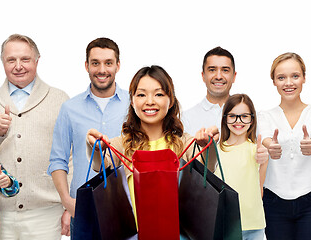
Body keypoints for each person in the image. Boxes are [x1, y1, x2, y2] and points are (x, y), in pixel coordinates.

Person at [86, 65, 219, 237]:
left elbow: (208, 167)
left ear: (170, 101)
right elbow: (99, 166)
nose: (150, 101)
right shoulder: (123, 144)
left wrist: (210, 146)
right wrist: (94, 148)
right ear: (132, 101)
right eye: (141, 94)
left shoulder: (184, 142)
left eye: (159, 94)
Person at [0, 34, 70, 239]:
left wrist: (69, 204)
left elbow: (70, 156)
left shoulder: (59, 100)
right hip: (1, 213)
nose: (18, 66)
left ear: (37, 60)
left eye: (25, 59)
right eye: (11, 60)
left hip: (47, 211)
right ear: (3, 63)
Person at [47, 37, 129, 238]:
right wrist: (67, 202)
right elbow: (58, 160)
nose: (102, 70)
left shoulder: (134, 104)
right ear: (86, 66)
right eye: (95, 63)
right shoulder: (70, 108)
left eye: (108, 63)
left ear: (118, 65)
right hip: (83, 210)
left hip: (127, 209)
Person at [260, 53, 311, 239]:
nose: (288, 83)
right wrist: (270, 146)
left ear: (304, 78)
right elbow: (265, 138)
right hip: (274, 200)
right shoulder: (264, 116)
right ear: (274, 81)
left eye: (295, 76)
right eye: (281, 78)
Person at [215, 94, 267, 240]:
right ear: (225, 118)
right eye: (233, 116)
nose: (238, 121)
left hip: (254, 225)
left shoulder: (257, 149)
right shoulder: (216, 151)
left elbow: (260, 190)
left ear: (252, 119)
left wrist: (263, 159)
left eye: (244, 116)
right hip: (225, 225)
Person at [181, 46, 236, 134]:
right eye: (212, 70)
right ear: (203, 76)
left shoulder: (248, 116)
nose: (218, 76)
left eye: (225, 70)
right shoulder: (186, 119)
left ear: (234, 76)